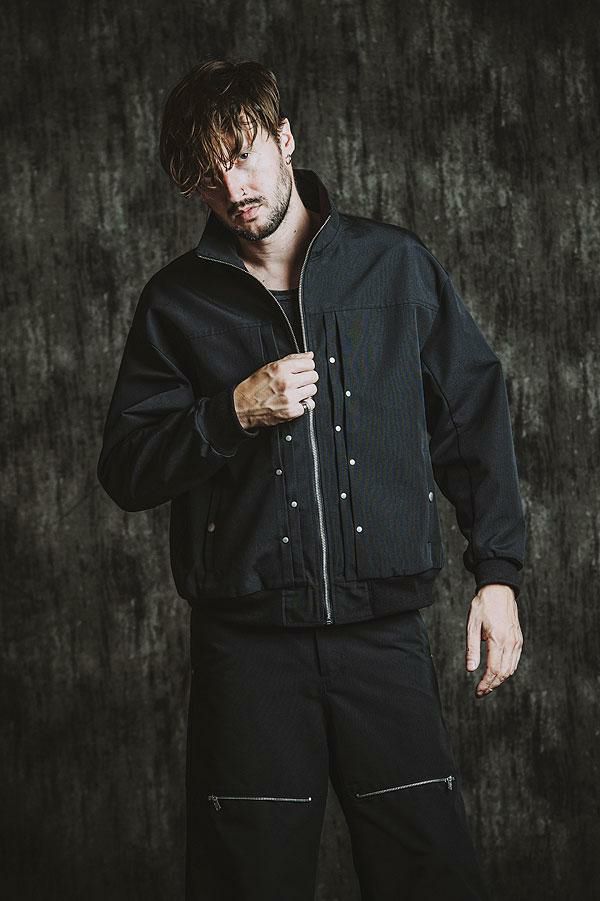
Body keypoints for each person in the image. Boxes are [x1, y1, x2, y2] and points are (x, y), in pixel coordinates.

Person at [97, 58, 526, 901]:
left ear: (285, 138)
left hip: (383, 640)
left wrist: (499, 573)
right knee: (247, 882)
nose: (233, 187)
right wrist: (230, 412)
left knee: (430, 876)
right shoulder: (177, 302)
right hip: (248, 655)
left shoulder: (394, 267)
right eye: (208, 174)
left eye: (243, 154)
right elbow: (127, 468)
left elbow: (473, 415)